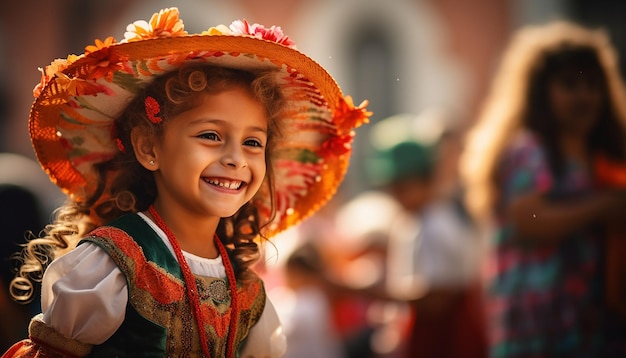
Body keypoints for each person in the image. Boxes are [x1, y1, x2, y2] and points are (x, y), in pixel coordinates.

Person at [2, 7, 370, 357]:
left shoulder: (247, 289)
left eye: (253, 142)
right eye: (210, 135)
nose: (236, 158)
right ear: (149, 148)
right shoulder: (111, 264)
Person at [460, 21, 626, 357]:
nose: (583, 96)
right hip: (538, 326)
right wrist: (605, 206)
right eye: (569, 85)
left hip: (591, 323)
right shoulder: (528, 149)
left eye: (592, 86)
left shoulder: (601, 157)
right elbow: (529, 217)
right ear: (539, 92)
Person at [367, 112, 488, 358]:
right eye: (392, 188)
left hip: (449, 340)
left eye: (404, 187)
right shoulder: (414, 221)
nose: (397, 196)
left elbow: (435, 299)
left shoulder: (437, 223)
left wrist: (354, 290)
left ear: (426, 181)